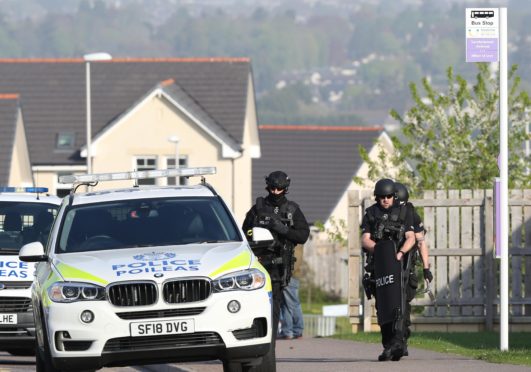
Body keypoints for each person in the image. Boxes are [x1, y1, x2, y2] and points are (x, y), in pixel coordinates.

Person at [242, 171, 310, 359]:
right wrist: (258, 231)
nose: (275, 191)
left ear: (285, 189)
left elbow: (303, 236)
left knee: (277, 305)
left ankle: (269, 348)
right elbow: (243, 233)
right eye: (272, 188)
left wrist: (282, 229)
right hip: (259, 263)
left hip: (280, 266)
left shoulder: (292, 209)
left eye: (279, 188)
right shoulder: (257, 208)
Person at [361, 178, 416, 362]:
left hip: (399, 264)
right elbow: (365, 239)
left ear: (394, 196)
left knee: (399, 303)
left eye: (389, 196)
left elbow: (411, 238)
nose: (386, 200)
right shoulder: (371, 213)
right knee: (383, 304)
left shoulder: (404, 211)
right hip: (380, 265)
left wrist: (400, 253)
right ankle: (388, 345)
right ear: (377, 197)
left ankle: (398, 343)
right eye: (382, 197)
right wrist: (379, 250)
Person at [394, 182, 433, 357]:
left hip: (406, 266)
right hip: (389, 264)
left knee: (405, 303)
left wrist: (426, 268)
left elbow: (421, 242)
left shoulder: (412, 215)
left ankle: (402, 339)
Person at [278, 243, 304, 340]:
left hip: (291, 276)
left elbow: (296, 261)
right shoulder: (293, 241)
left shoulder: (296, 242)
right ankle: (287, 331)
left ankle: (297, 330)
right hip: (288, 274)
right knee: (285, 304)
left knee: (293, 304)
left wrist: (287, 273)